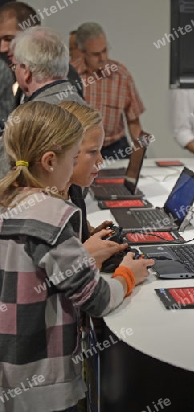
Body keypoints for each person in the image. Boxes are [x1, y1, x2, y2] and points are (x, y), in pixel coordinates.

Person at [0, 101, 154, 412]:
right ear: (50, 161)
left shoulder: (7, 201)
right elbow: (95, 298)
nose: (74, 169)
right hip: (45, 381)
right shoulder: (52, 216)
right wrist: (128, 274)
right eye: (73, 159)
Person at [0, 25, 87, 180]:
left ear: (26, 71)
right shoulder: (82, 107)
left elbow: (4, 175)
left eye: (15, 66)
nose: (14, 71)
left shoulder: (32, 118)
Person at [58, 100, 129, 266]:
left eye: (100, 150)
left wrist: (89, 234)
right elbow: (60, 277)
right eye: (92, 151)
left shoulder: (73, 190)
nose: (100, 159)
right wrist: (127, 277)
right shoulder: (46, 209)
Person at [72, 22, 145, 160]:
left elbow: (133, 121)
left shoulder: (121, 75)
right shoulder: (70, 75)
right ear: (82, 52)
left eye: (105, 51)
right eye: (96, 54)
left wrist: (140, 154)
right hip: (79, 148)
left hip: (114, 148)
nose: (102, 58)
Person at [0, 1, 84, 102]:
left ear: (32, 34)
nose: (2, 48)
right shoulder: (18, 74)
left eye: (9, 39)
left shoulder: (60, 76)